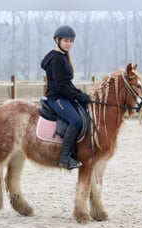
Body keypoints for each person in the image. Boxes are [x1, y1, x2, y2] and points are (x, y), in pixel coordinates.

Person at [40, 25, 90, 170]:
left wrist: (80, 94)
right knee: (76, 120)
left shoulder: (63, 57)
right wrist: (77, 96)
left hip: (63, 95)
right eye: (66, 41)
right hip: (56, 98)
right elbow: (61, 86)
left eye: (71, 41)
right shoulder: (56, 59)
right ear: (57, 40)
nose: (69, 44)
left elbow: (67, 83)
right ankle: (64, 158)